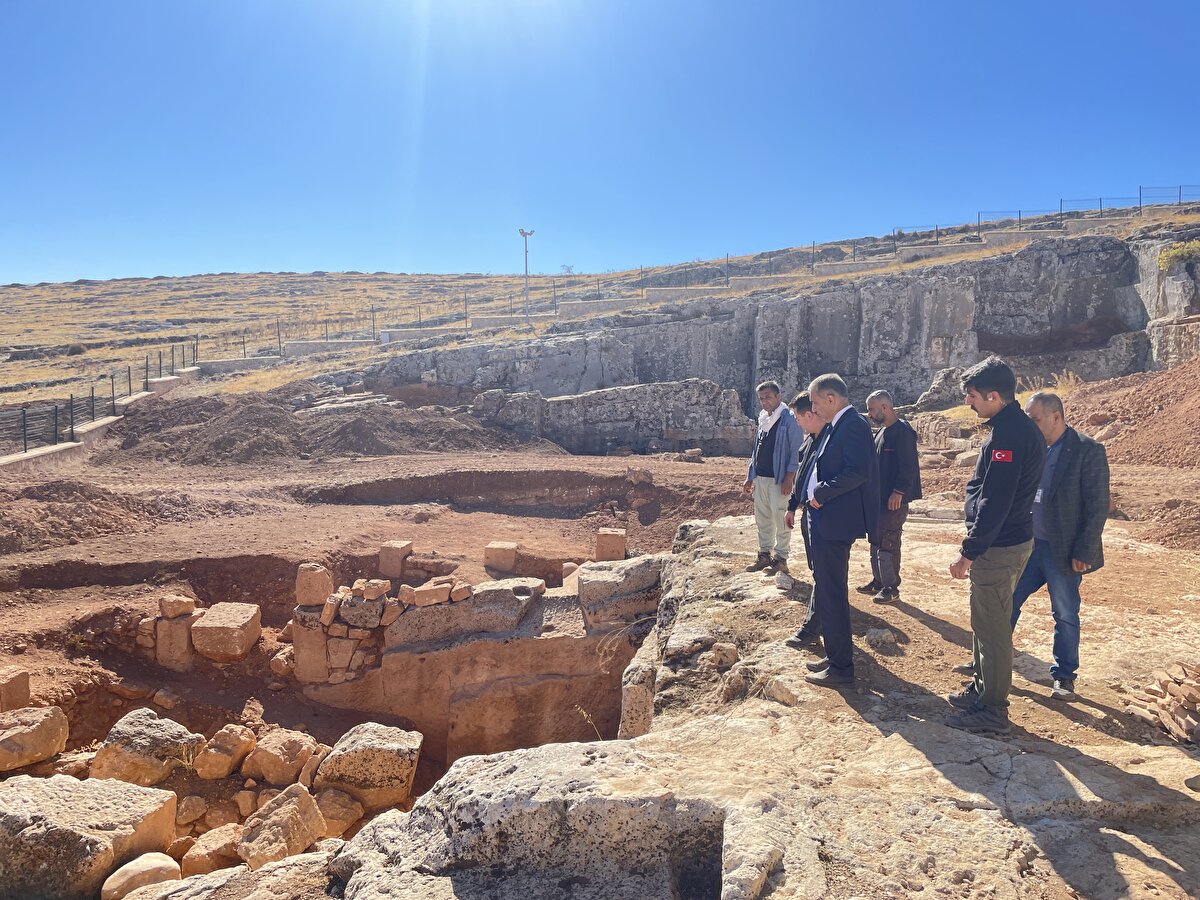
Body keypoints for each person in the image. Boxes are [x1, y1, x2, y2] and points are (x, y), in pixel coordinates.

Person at [946, 357, 1045, 734]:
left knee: (992, 629)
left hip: (999, 546)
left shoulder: (1010, 435)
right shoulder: (1010, 427)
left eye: (972, 396)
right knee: (986, 621)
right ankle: (982, 689)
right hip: (1007, 541)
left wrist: (969, 550)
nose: (968, 402)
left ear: (993, 396)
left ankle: (992, 709)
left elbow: (996, 500)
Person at [1011, 391, 1109, 700]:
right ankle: (988, 661)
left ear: (1056, 417)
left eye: (1035, 420)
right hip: (1028, 546)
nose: (1030, 426)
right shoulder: (1033, 448)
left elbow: (1098, 505)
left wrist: (1084, 550)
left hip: (1063, 550)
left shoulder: (1087, 450)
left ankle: (1064, 676)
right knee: (1005, 601)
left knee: (1065, 613)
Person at [787, 373, 878, 687]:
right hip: (824, 519)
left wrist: (821, 492)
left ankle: (841, 668)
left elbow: (858, 471)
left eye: (814, 402)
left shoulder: (852, 425)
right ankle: (835, 656)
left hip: (835, 521)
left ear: (830, 399)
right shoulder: (837, 425)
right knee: (827, 591)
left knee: (833, 593)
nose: (812, 408)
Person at [858, 389, 921, 604]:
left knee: (889, 541)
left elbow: (909, 467)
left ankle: (891, 588)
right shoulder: (882, 432)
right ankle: (878, 582)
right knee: (876, 540)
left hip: (894, 501)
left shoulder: (902, 432)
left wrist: (899, 492)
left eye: (871, 409)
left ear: (885, 407)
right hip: (878, 499)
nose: (869, 414)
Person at [782, 391, 828, 648]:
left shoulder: (830, 440)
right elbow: (803, 477)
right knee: (817, 571)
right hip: (809, 514)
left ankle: (811, 628)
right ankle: (818, 623)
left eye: (798, 418)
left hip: (825, 517)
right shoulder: (811, 441)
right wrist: (792, 507)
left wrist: (821, 496)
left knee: (823, 574)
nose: (797, 424)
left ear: (809, 415)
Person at [742, 381, 804, 575]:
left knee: (781, 518)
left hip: (779, 479)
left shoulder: (789, 419)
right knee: (763, 518)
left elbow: (796, 451)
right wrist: (750, 476)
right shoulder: (763, 419)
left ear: (778, 397)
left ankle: (781, 559)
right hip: (761, 478)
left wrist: (789, 478)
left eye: (768, 397)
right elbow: (756, 451)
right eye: (761, 398)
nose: (764, 402)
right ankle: (764, 555)